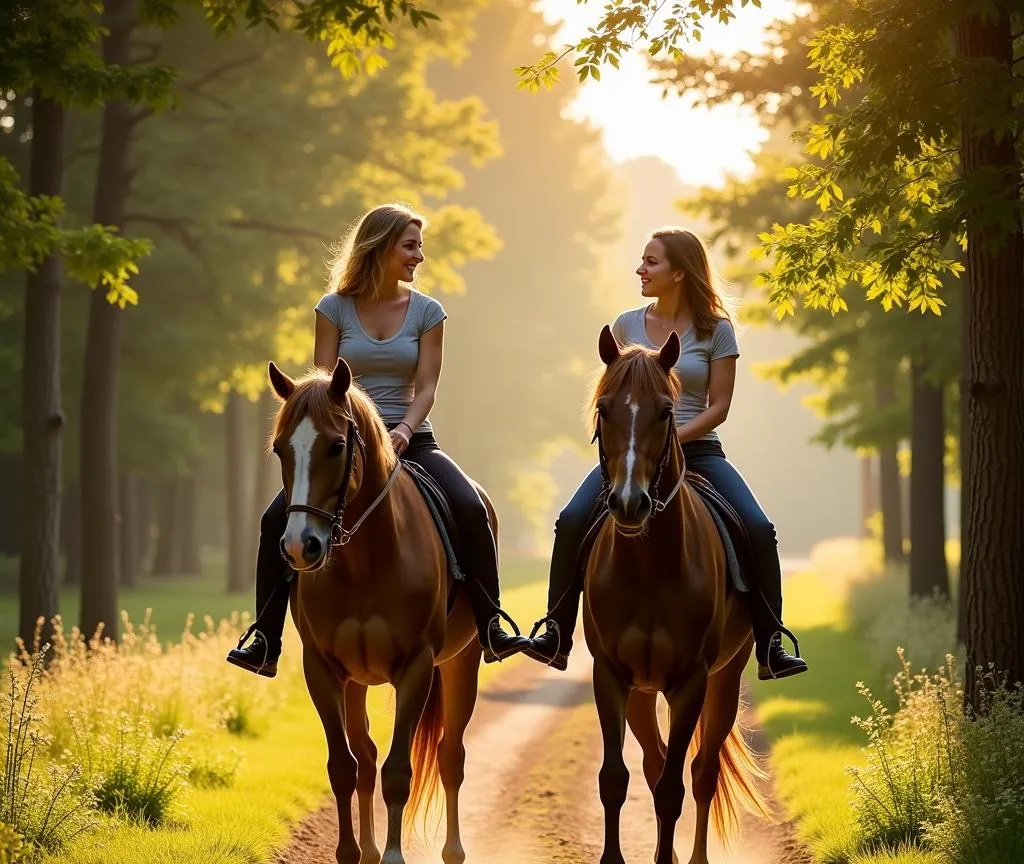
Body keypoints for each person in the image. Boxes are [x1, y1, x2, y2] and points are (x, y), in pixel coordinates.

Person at [227, 203, 530, 676]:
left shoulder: (428, 312)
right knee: (274, 521)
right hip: (343, 442)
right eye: (410, 247)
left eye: (419, 247)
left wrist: (404, 430)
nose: (418, 257)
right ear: (381, 247)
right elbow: (325, 382)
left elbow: (428, 384)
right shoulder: (333, 309)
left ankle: (491, 624)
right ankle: (266, 637)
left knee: (471, 507)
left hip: (411, 438)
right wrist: (346, 434)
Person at [526, 227, 808, 681]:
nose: (641, 269)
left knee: (758, 527)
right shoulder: (626, 325)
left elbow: (719, 405)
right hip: (632, 454)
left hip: (697, 453)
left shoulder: (716, 330)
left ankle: (771, 643)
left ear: (679, 272)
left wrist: (674, 437)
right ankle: (555, 632)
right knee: (571, 519)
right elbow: (612, 398)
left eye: (651, 262)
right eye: (642, 260)